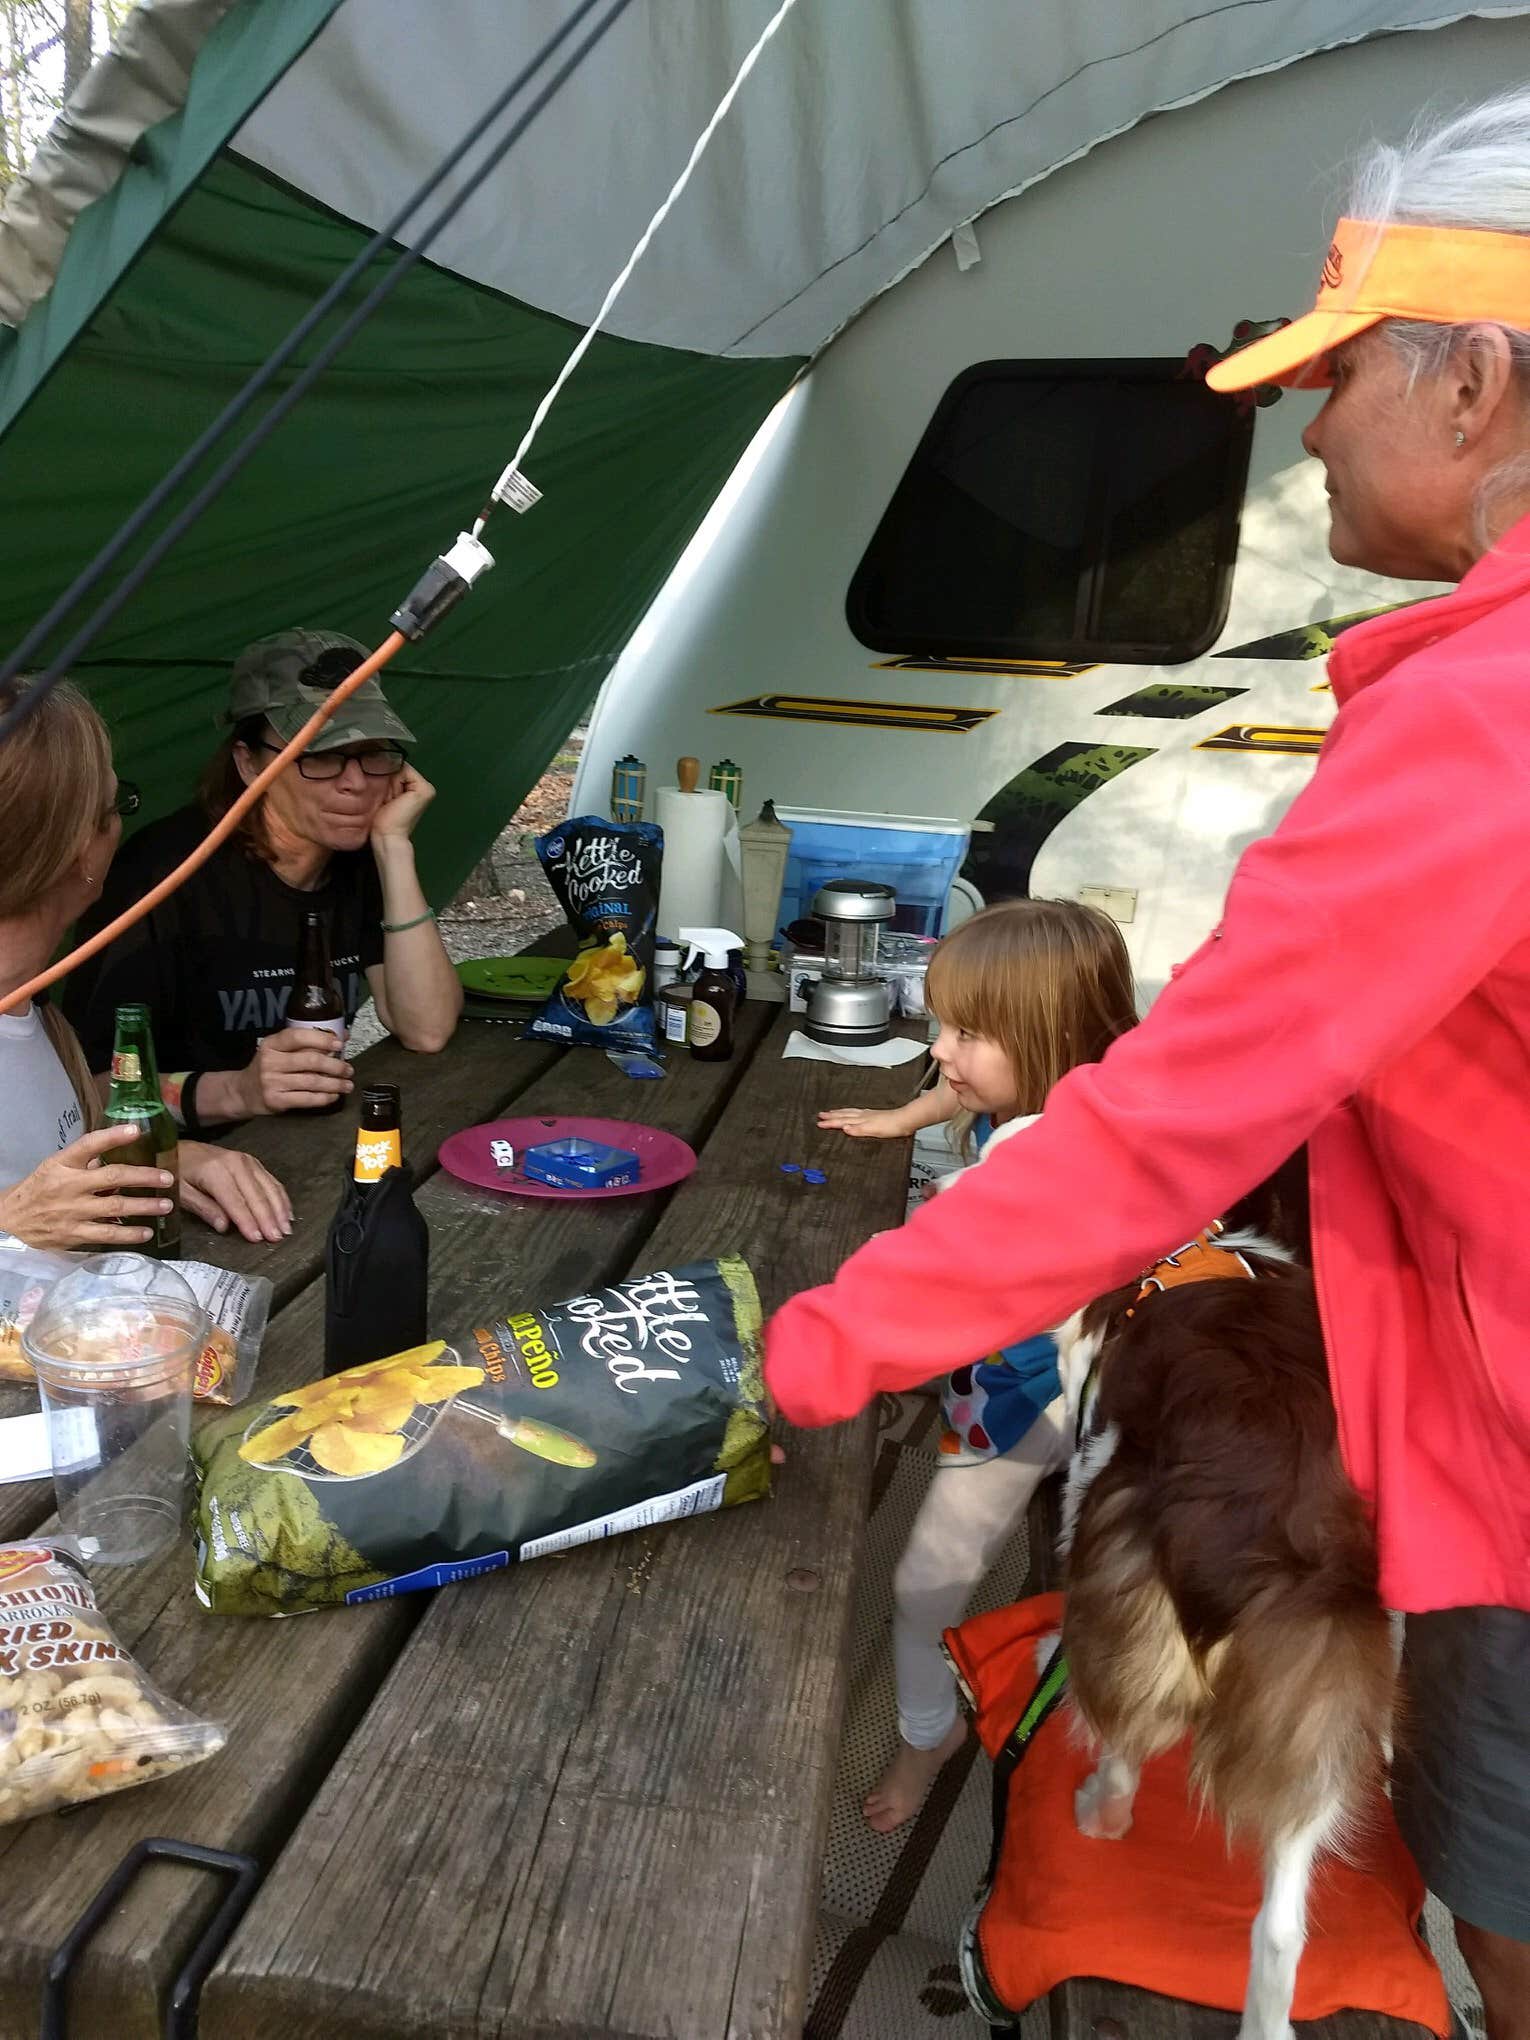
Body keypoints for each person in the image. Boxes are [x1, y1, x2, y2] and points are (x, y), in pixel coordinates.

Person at [764, 93, 1530, 2038]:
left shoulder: (1483, 720)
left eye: (1343, 371)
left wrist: (824, 1344)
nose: (1309, 422)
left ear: (1477, 384)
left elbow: (1170, 1121)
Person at [820, 900, 1137, 1831]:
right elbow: (965, 1091)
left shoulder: (1039, 1167)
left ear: (1050, 1036)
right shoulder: (1080, 1083)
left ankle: (931, 1735)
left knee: (923, 1586)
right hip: (1069, 1380)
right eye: (938, 1025)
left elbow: (921, 1298)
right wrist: (902, 1117)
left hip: (1026, 1407)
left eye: (963, 1031)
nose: (939, 1051)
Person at [64, 629, 463, 1129]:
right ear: (248, 762)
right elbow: (89, 1090)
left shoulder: (362, 856)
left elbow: (426, 1029)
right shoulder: (161, 877)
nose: (356, 780)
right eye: (318, 754)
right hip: (187, 1167)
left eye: (375, 751)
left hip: (308, 1150)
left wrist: (393, 847)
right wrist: (237, 1091)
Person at [0, 676, 290, 1248]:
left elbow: (52, 1165)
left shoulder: (36, 1014)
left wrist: (169, 1160)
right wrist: (10, 1225)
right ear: (80, 849)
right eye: (116, 806)